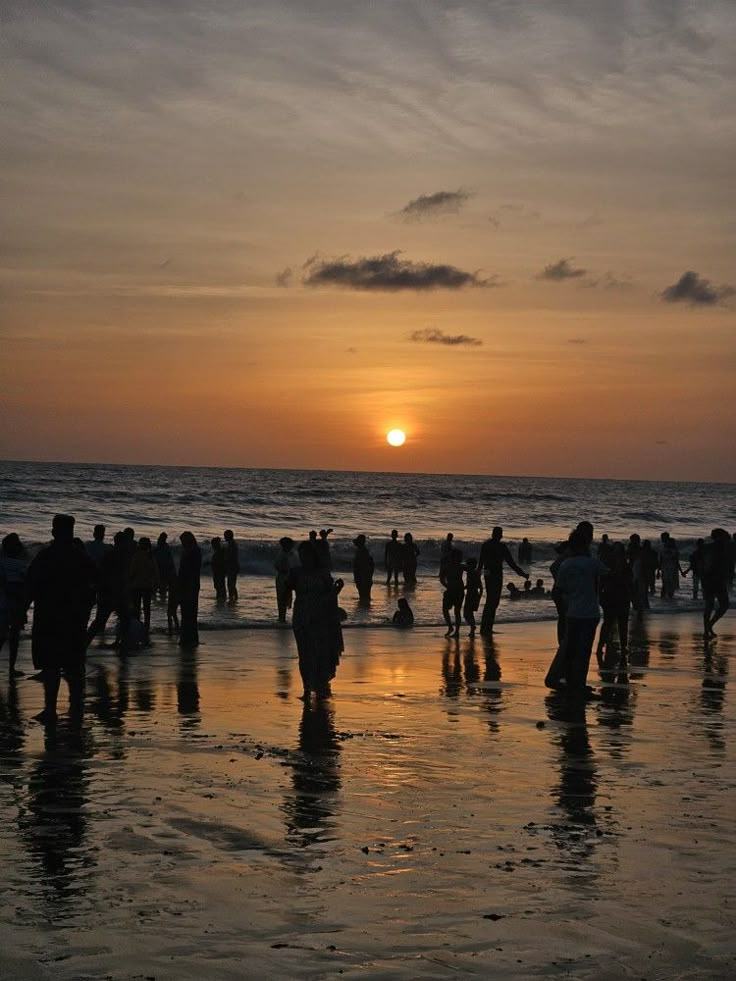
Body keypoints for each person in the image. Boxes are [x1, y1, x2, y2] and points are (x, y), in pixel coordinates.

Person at [25, 514, 96, 724]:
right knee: (73, 664)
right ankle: (75, 707)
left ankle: (51, 709)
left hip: (48, 617)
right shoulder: (82, 557)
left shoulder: (45, 556)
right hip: (74, 619)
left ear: (54, 532)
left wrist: (21, 611)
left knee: (51, 665)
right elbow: (97, 582)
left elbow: (30, 585)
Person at [545, 528, 608, 696]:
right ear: (585, 545)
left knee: (570, 649)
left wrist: (567, 601)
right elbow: (609, 575)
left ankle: (568, 680)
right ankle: (578, 683)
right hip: (590, 614)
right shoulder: (592, 562)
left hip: (572, 613)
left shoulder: (566, 564)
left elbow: (558, 590)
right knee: (584, 651)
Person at [289, 540, 344, 698]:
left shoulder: (323, 574)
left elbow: (330, 597)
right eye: (301, 555)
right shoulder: (296, 572)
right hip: (301, 617)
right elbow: (287, 588)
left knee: (318, 653)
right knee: (304, 654)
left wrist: (336, 590)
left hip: (320, 618)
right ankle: (306, 688)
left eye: (307, 555)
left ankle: (320, 683)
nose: (304, 559)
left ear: (314, 556)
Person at [477, 527, 529, 634]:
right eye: (501, 534)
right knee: (494, 601)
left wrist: (478, 575)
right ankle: (487, 628)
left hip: (487, 574)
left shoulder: (486, 545)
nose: (501, 536)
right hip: (496, 574)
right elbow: (511, 563)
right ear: (499, 535)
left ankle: (485, 628)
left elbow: (481, 562)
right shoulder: (501, 547)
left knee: (489, 601)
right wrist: (522, 573)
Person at [596, 543, 632, 667]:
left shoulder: (624, 565)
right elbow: (602, 581)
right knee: (610, 622)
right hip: (612, 596)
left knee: (620, 623)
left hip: (619, 596)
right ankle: (602, 645)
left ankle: (622, 646)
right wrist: (600, 594)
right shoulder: (612, 565)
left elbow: (629, 582)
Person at [0, 533, 28, 677]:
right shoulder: (22, 564)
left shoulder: (1, 562)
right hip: (17, 605)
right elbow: (25, 585)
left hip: (3, 604)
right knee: (14, 637)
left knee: (1, 636)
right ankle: (11, 668)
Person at [701, 528, 731, 640]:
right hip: (715, 580)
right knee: (722, 604)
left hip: (711, 580)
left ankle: (707, 628)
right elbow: (708, 564)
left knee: (710, 605)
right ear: (719, 537)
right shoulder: (718, 548)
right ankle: (709, 626)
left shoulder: (711, 547)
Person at [128, 536, 159, 641]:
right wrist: (156, 584)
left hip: (136, 586)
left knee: (136, 609)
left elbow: (132, 572)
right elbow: (155, 572)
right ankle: (146, 627)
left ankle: (137, 628)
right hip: (147, 586)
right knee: (147, 609)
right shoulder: (151, 557)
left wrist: (128, 583)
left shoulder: (136, 556)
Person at [178, 532, 201, 647]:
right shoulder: (194, 551)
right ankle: (190, 638)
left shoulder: (192, 552)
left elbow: (188, 571)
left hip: (189, 585)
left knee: (188, 613)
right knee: (189, 613)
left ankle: (188, 638)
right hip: (191, 585)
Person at [440, 547, 464, 638]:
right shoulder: (460, 566)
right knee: (450, 610)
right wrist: (446, 586)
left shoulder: (459, 566)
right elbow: (442, 578)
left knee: (454, 610)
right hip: (455, 590)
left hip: (455, 590)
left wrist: (446, 585)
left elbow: (441, 578)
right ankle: (452, 628)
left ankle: (454, 630)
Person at [274, 537, 297, 622]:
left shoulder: (289, 553)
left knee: (284, 598)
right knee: (282, 598)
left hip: (287, 577)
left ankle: (282, 618)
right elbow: (277, 565)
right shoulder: (284, 553)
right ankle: (282, 617)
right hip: (282, 578)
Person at [659, 532, 683, 599]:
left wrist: (681, 571)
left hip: (670, 569)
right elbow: (661, 560)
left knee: (667, 585)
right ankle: (668, 600)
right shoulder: (665, 548)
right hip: (668, 569)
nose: (661, 538)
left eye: (662, 537)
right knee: (668, 585)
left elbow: (676, 561)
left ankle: (665, 600)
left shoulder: (668, 549)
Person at [153, 532, 176, 601]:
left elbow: (170, 562)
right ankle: (160, 602)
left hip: (163, 572)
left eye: (160, 538)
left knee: (160, 589)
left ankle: (161, 603)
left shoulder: (165, 549)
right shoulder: (159, 548)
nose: (158, 540)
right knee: (157, 589)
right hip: (159, 571)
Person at [463, 557, 483, 637]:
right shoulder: (474, 573)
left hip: (471, 595)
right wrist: (479, 596)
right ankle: (472, 628)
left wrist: (479, 597)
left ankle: (472, 627)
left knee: (466, 613)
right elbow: (479, 587)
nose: (467, 566)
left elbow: (479, 586)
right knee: (469, 613)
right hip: (473, 594)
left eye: (468, 565)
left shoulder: (473, 573)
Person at [352, 534, 374, 602]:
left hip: (363, 576)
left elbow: (361, 565)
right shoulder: (362, 550)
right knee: (364, 595)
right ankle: (364, 608)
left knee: (364, 595)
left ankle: (364, 609)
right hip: (364, 576)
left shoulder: (362, 551)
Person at [222, 529, 239, 603]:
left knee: (231, 584)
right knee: (231, 584)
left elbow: (230, 556)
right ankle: (233, 598)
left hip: (232, 567)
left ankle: (233, 599)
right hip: (233, 566)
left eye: (225, 535)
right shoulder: (232, 544)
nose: (224, 537)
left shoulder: (232, 545)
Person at [210, 537, 227, 603]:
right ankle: (221, 599)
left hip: (219, 572)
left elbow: (219, 562)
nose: (212, 546)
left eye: (213, 544)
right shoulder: (220, 551)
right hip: (218, 572)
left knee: (219, 587)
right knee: (219, 586)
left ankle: (221, 600)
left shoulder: (219, 552)